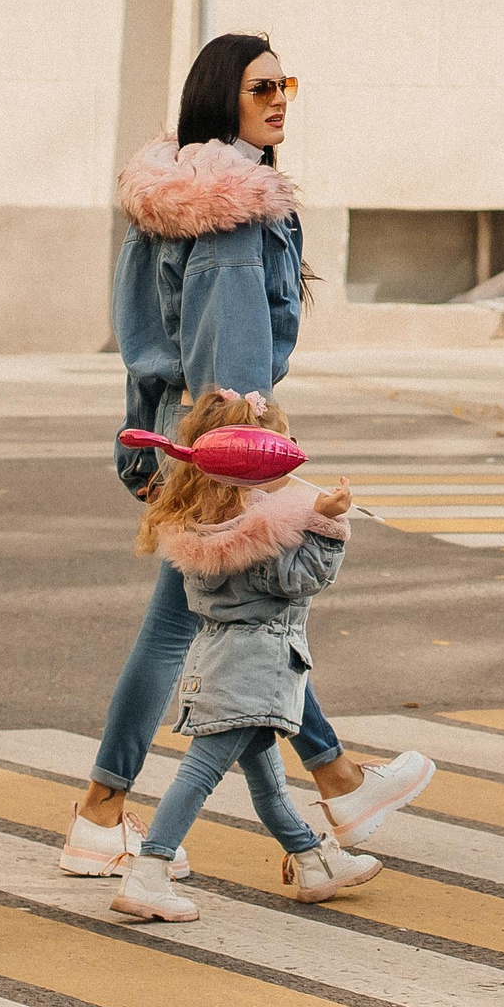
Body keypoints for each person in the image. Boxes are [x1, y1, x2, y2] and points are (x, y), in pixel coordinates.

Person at [63, 32, 430, 879]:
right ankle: (122, 811)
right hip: (217, 443)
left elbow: (143, 337)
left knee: (209, 625)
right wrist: (245, 463)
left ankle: (324, 789)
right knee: (224, 626)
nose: (279, 99)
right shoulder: (232, 207)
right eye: (262, 86)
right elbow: (228, 356)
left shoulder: (170, 190)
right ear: (222, 95)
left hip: (170, 432)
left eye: (285, 84)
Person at [109, 392, 381, 922]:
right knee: (202, 771)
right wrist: (327, 527)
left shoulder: (206, 522)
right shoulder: (263, 532)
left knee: (265, 775)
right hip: (257, 663)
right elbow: (302, 579)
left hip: (218, 659)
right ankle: (149, 873)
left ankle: (311, 859)